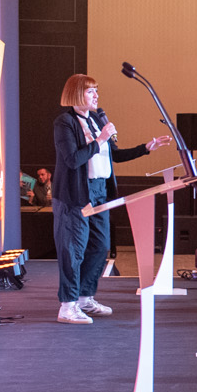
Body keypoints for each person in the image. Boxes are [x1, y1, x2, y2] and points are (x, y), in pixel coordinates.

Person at [51, 74, 169, 324]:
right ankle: (67, 306)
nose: (96, 96)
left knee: (100, 245)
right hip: (76, 194)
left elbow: (115, 155)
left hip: (100, 192)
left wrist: (146, 148)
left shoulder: (95, 120)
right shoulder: (64, 123)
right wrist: (101, 138)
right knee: (73, 251)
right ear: (76, 94)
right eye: (90, 91)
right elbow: (72, 160)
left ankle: (85, 298)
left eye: (97, 90)